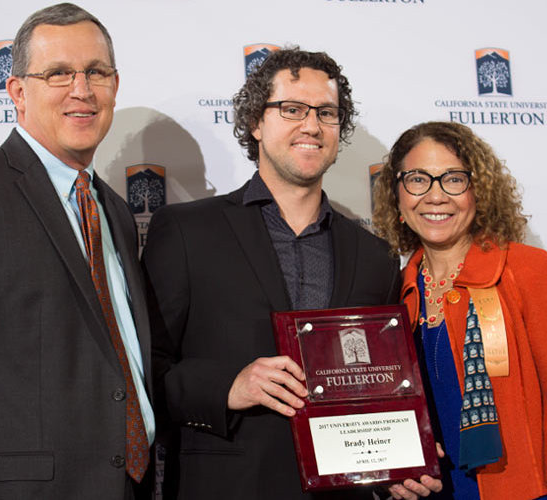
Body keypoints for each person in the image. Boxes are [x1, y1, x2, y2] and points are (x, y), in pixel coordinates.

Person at [142, 48, 441, 500]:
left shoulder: (375, 255)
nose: (311, 125)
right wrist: (228, 386)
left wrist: (398, 464)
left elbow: (380, 388)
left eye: (326, 112)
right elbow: (142, 372)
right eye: (292, 109)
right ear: (256, 123)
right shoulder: (186, 231)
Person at [0, 4, 155, 499]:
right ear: (17, 92)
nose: (82, 90)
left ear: (115, 86)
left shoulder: (116, 212)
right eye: (58, 73)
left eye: (96, 73)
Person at [372, 121, 547, 500]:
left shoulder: (527, 270)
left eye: (453, 179)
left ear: (479, 191)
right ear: (398, 195)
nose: (435, 196)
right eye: (417, 179)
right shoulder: (399, 289)